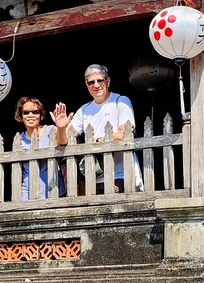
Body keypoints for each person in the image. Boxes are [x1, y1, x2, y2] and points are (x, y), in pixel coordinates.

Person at [52, 64, 141, 192]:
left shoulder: (120, 101)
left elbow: (125, 133)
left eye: (100, 80)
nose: (96, 85)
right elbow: (63, 141)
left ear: (108, 81)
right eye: (91, 82)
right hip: (95, 178)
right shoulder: (84, 110)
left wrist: (100, 142)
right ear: (86, 84)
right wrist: (61, 127)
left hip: (122, 175)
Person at [14, 96, 62, 200]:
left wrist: (60, 127)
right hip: (28, 192)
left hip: (53, 189)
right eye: (26, 112)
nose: (30, 115)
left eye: (35, 112)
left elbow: (64, 142)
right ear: (21, 116)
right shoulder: (19, 140)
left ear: (41, 115)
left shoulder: (51, 131)